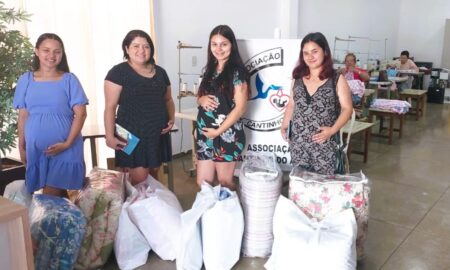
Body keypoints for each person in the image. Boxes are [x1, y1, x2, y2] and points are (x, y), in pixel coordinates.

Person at [13, 33, 88, 197]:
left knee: (49, 196)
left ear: (62, 53)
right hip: (37, 150)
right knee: (57, 197)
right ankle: (74, 222)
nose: (51, 55)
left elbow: (81, 114)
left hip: (65, 148)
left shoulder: (69, 80)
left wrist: (67, 144)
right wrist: (22, 144)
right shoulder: (25, 80)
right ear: (37, 51)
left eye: (57, 51)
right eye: (46, 50)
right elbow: (23, 115)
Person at [104, 30, 175, 185]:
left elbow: (168, 99)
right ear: (126, 48)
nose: (141, 50)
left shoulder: (161, 72)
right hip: (129, 135)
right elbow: (110, 107)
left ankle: (151, 207)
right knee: (139, 178)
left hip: (156, 133)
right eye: (136, 46)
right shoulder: (117, 72)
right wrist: (109, 136)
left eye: (146, 46)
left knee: (154, 174)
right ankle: (134, 208)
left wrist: (171, 118)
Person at [281, 32, 353, 175]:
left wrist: (332, 131)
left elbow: (347, 109)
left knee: (323, 189)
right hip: (299, 143)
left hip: (324, 144)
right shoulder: (297, 79)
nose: (310, 57)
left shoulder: (336, 79)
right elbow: (292, 104)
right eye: (306, 53)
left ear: (325, 52)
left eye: (315, 51)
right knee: (300, 185)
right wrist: (284, 125)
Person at [196, 25, 249, 190]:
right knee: (203, 183)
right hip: (205, 135)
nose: (218, 49)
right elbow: (200, 98)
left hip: (227, 135)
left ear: (232, 45)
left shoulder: (237, 73)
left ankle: (231, 214)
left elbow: (240, 109)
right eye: (214, 44)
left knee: (225, 184)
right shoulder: (209, 70)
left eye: (223, 44)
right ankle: (210, 215)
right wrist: (201, 99)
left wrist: (217, 132)